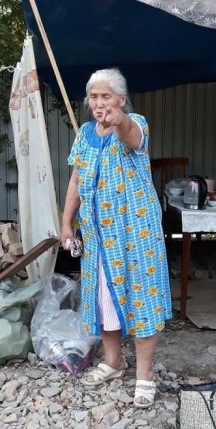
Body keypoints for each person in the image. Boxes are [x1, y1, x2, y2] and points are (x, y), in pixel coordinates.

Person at [61, 68, 172, 408]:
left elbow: (131, 136)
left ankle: (145, 376)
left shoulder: (135, 123)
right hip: (97, 237)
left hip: (135, 235)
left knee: (141, 298)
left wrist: (119, 119)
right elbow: (76, 180)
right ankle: (113, 362)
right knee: (104, 299)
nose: (99, 103)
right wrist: (66, 223)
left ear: (121, 99)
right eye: (94, 97)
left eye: (106, 96)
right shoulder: (84, 134)